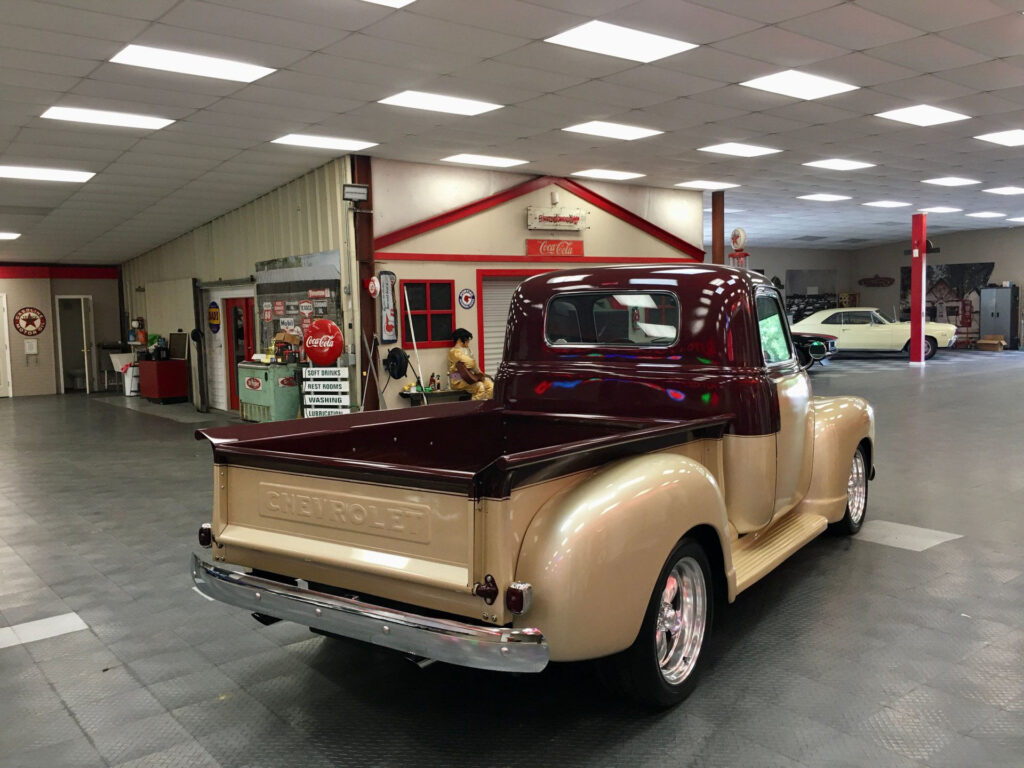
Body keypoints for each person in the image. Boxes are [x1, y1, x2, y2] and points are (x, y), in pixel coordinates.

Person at [447, 328, 493, 400]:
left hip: (470, 376)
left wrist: (480, 375)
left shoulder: (467, 349)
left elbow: (473, 364)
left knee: (490, 385)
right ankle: (475, 409)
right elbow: (471, 363)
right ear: (459, 339)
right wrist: (478, 373)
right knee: (479, 387)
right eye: (467, 339)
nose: (468, 341)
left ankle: (486, 407)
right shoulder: (454, 352)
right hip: (457, 379)